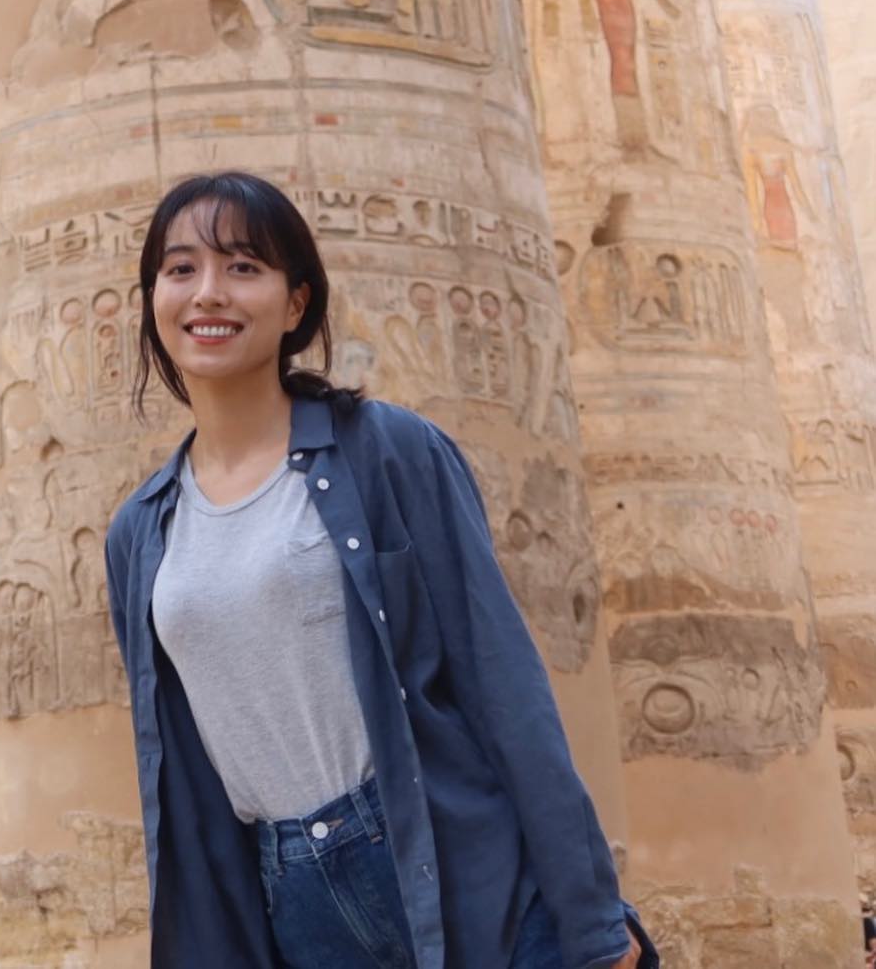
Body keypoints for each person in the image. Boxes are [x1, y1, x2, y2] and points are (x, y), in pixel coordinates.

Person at [104, 171, 657, 968]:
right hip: (297, 899)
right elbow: (180, 783)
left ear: (295, 303)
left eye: (244, 267)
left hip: (456, 864)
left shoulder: (387, 450)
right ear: (153, 298)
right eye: (181, 268)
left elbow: (501, 682)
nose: (209, 293)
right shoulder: (140, 533)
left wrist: (594, 917)